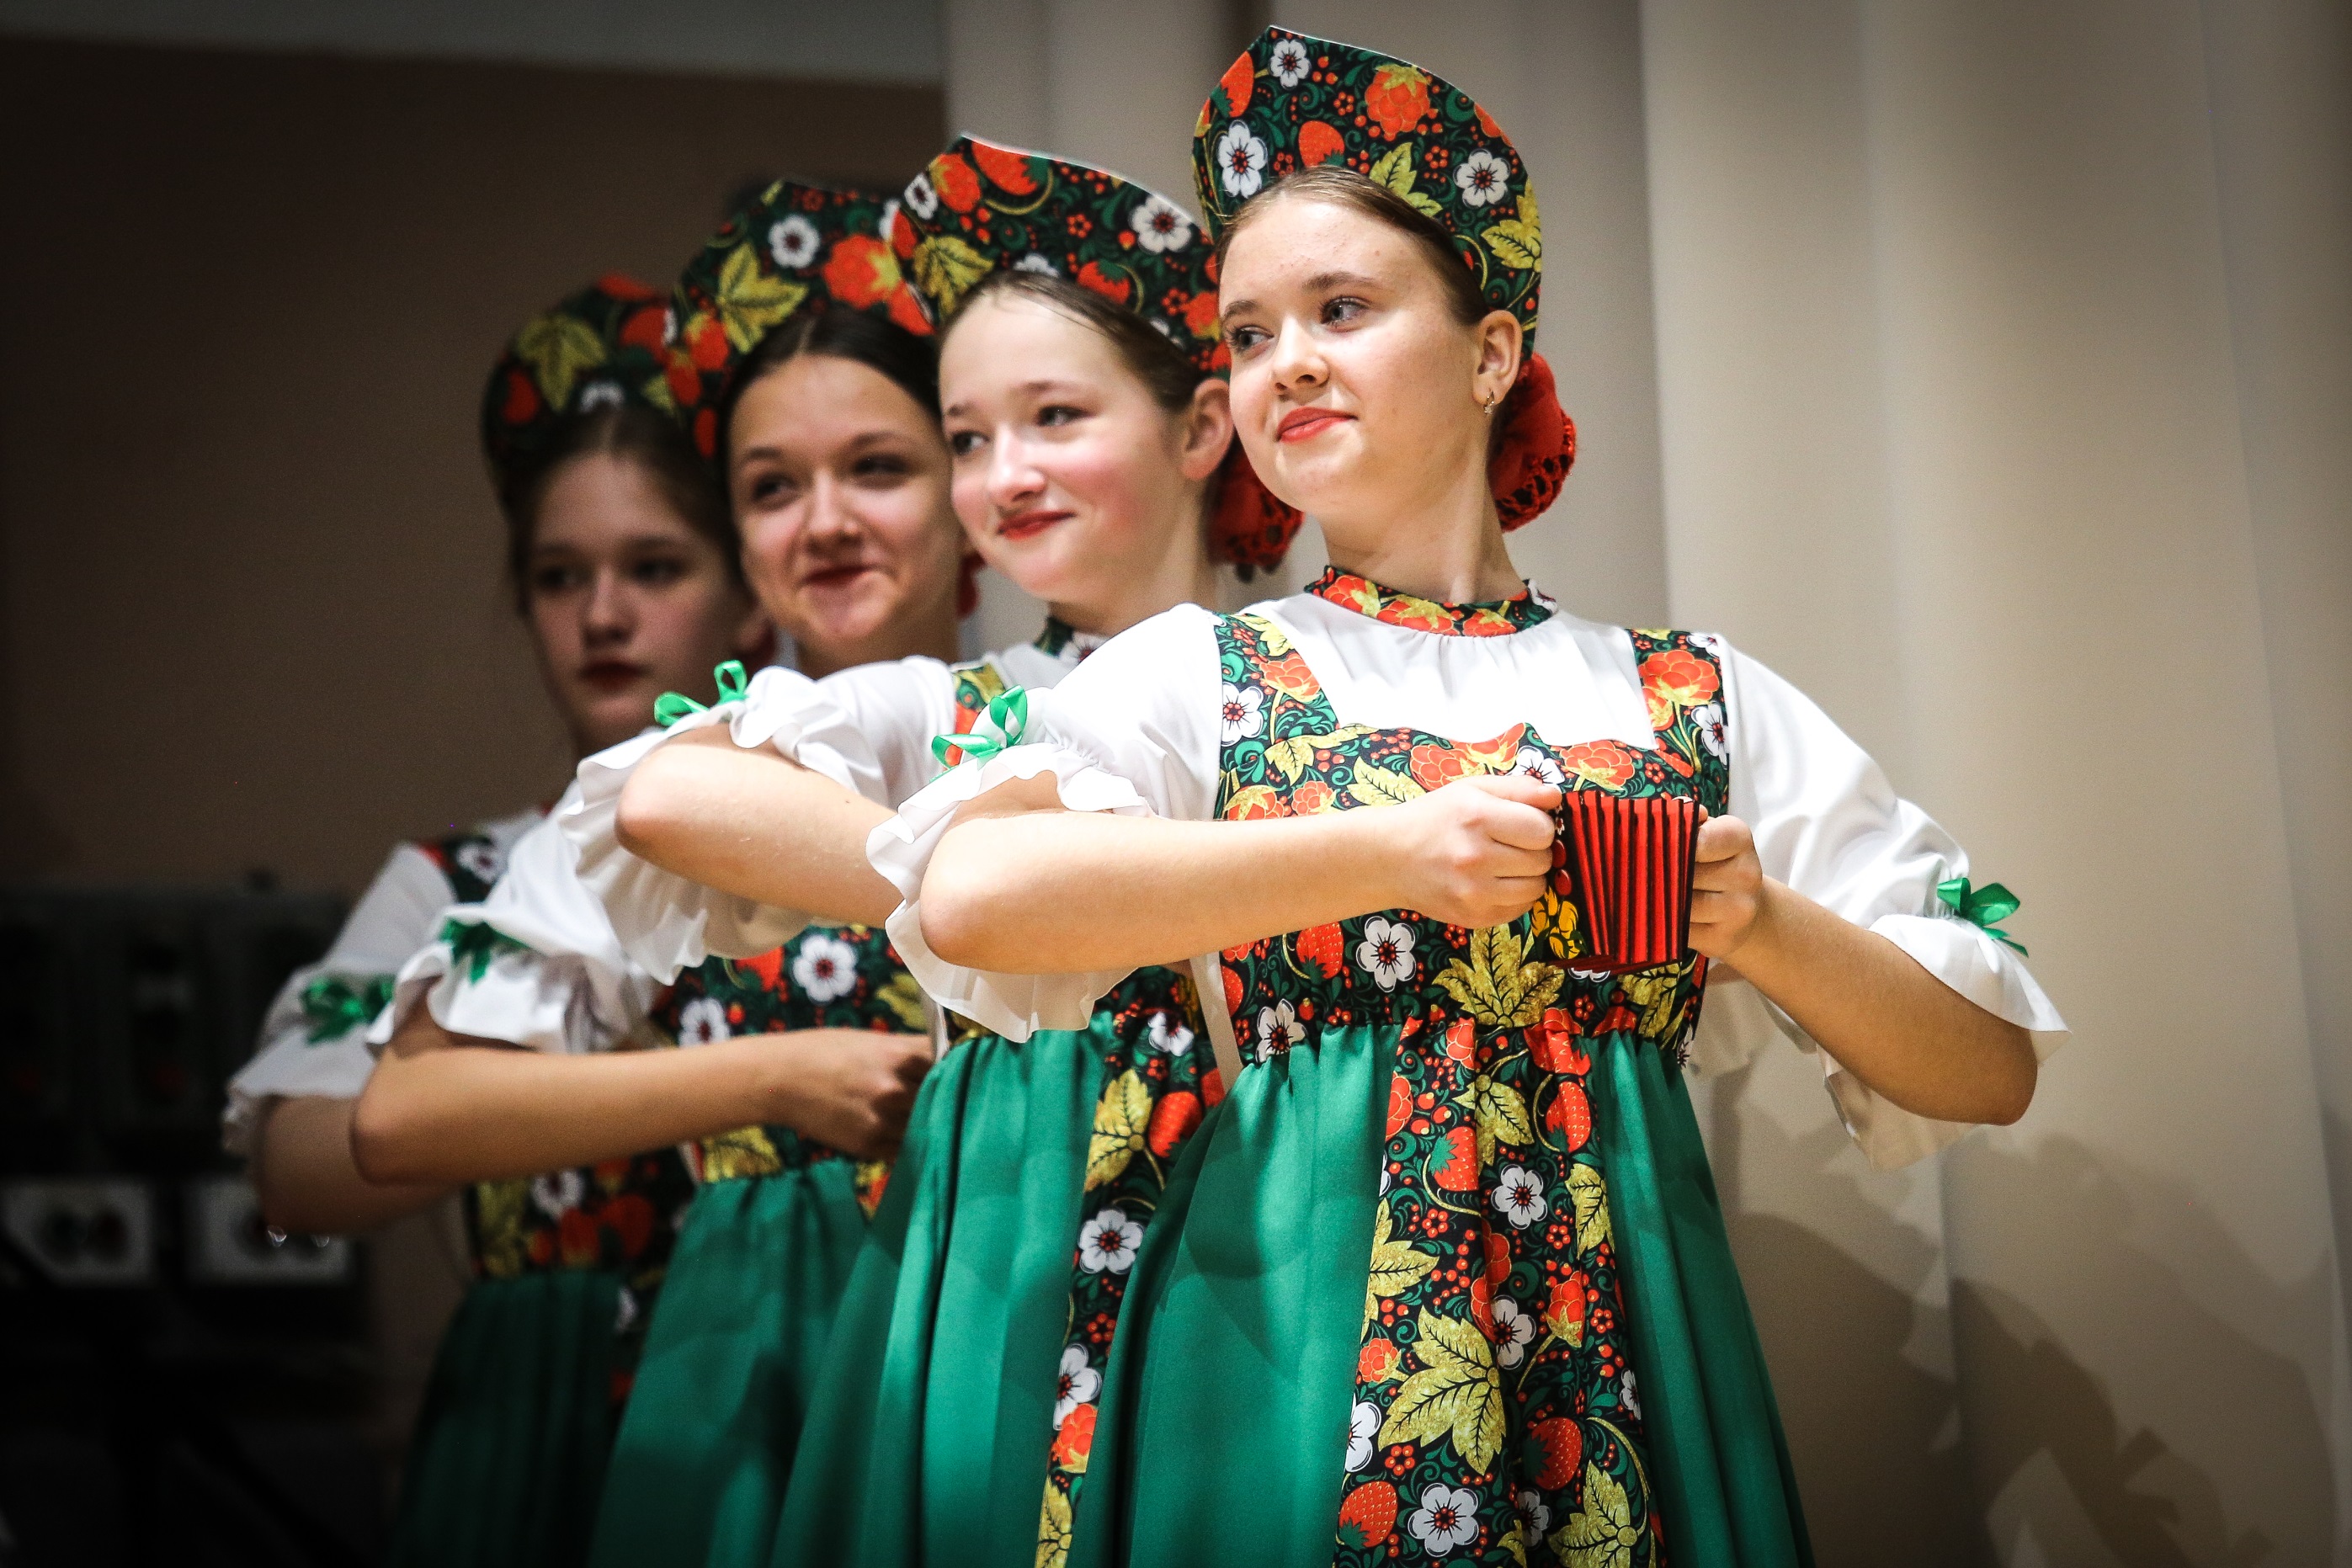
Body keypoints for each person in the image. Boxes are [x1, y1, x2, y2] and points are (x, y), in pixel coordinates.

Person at [875, 29, 2068, 1568]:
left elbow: (1985, 1070)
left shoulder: (1681, 692)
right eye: (1248, 334)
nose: (1287, 362)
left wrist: (1759, 925)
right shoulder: (1204, 670)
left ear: (1493, 352)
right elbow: (974, 895)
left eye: (1342, 310)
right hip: (1289, 1342)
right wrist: (1385, 852)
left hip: (1620, 1348)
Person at [567, 140, 1296, 1567]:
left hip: (1278, 1204)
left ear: (1203, 426)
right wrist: (995, 884)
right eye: (966, 440)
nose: (1004, 474)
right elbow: (664, 798)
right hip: (1020, 1238)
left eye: (1052, 417)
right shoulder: (959, 711)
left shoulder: (1308, 686)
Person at [349, 187, 952, 1568]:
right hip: (756, 1367)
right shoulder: (672, 783)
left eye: (878, 467)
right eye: (770, 488)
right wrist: (772, 1078)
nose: (824, 523)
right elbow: (398, 1115)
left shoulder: (1076, 716)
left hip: (1021, 1325)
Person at [221, 276, 772, 1567]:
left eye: (653, 567)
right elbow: (294, 1169)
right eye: (557, 576)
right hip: (535, 1405)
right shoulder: (460, 882)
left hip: (780, 1372)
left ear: (751, 589)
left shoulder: (839, 844)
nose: (601, 616)